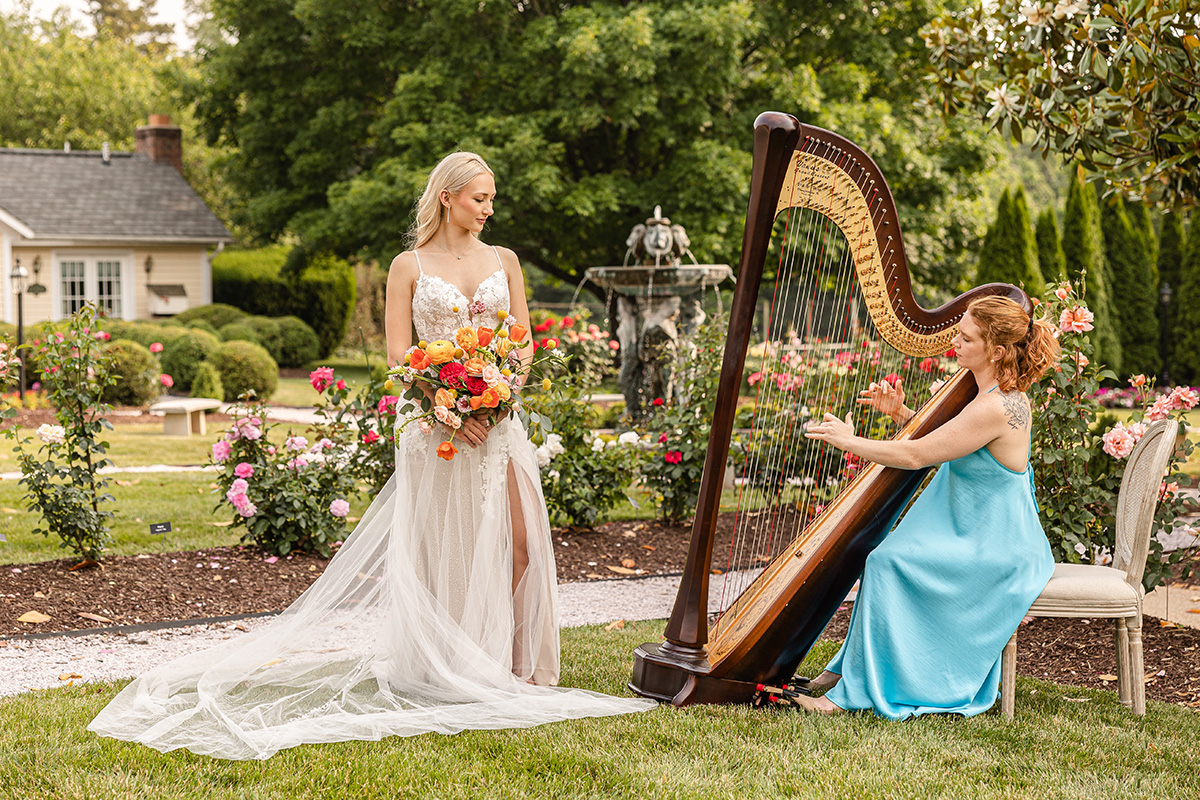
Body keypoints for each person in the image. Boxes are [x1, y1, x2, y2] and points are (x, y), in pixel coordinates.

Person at [88, 152, 653, 760]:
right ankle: (453, 667)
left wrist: (496, 399)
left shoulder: (505, 261)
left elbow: (522, 345)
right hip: (437, 430)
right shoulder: (408, 266)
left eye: (492, 200)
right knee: (450, 552)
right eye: (480, 199)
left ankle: (514, 666)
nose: (489, 210)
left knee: (519, 544)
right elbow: (399, 357)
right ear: (447, 198)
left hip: (500, 426)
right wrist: (448, 404)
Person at [797, 295, 1060, 718]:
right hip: (977, 531)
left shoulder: (998, 406)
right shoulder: (990, 395)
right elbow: (956, 444)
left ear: (996, 351)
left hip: (996, 546)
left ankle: (847, 695)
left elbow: (918, 456)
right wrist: (901, 412)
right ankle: (850, 671)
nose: (954, 342)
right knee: (885, 557)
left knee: (887, 561)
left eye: (965, 337)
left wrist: (848, 441)